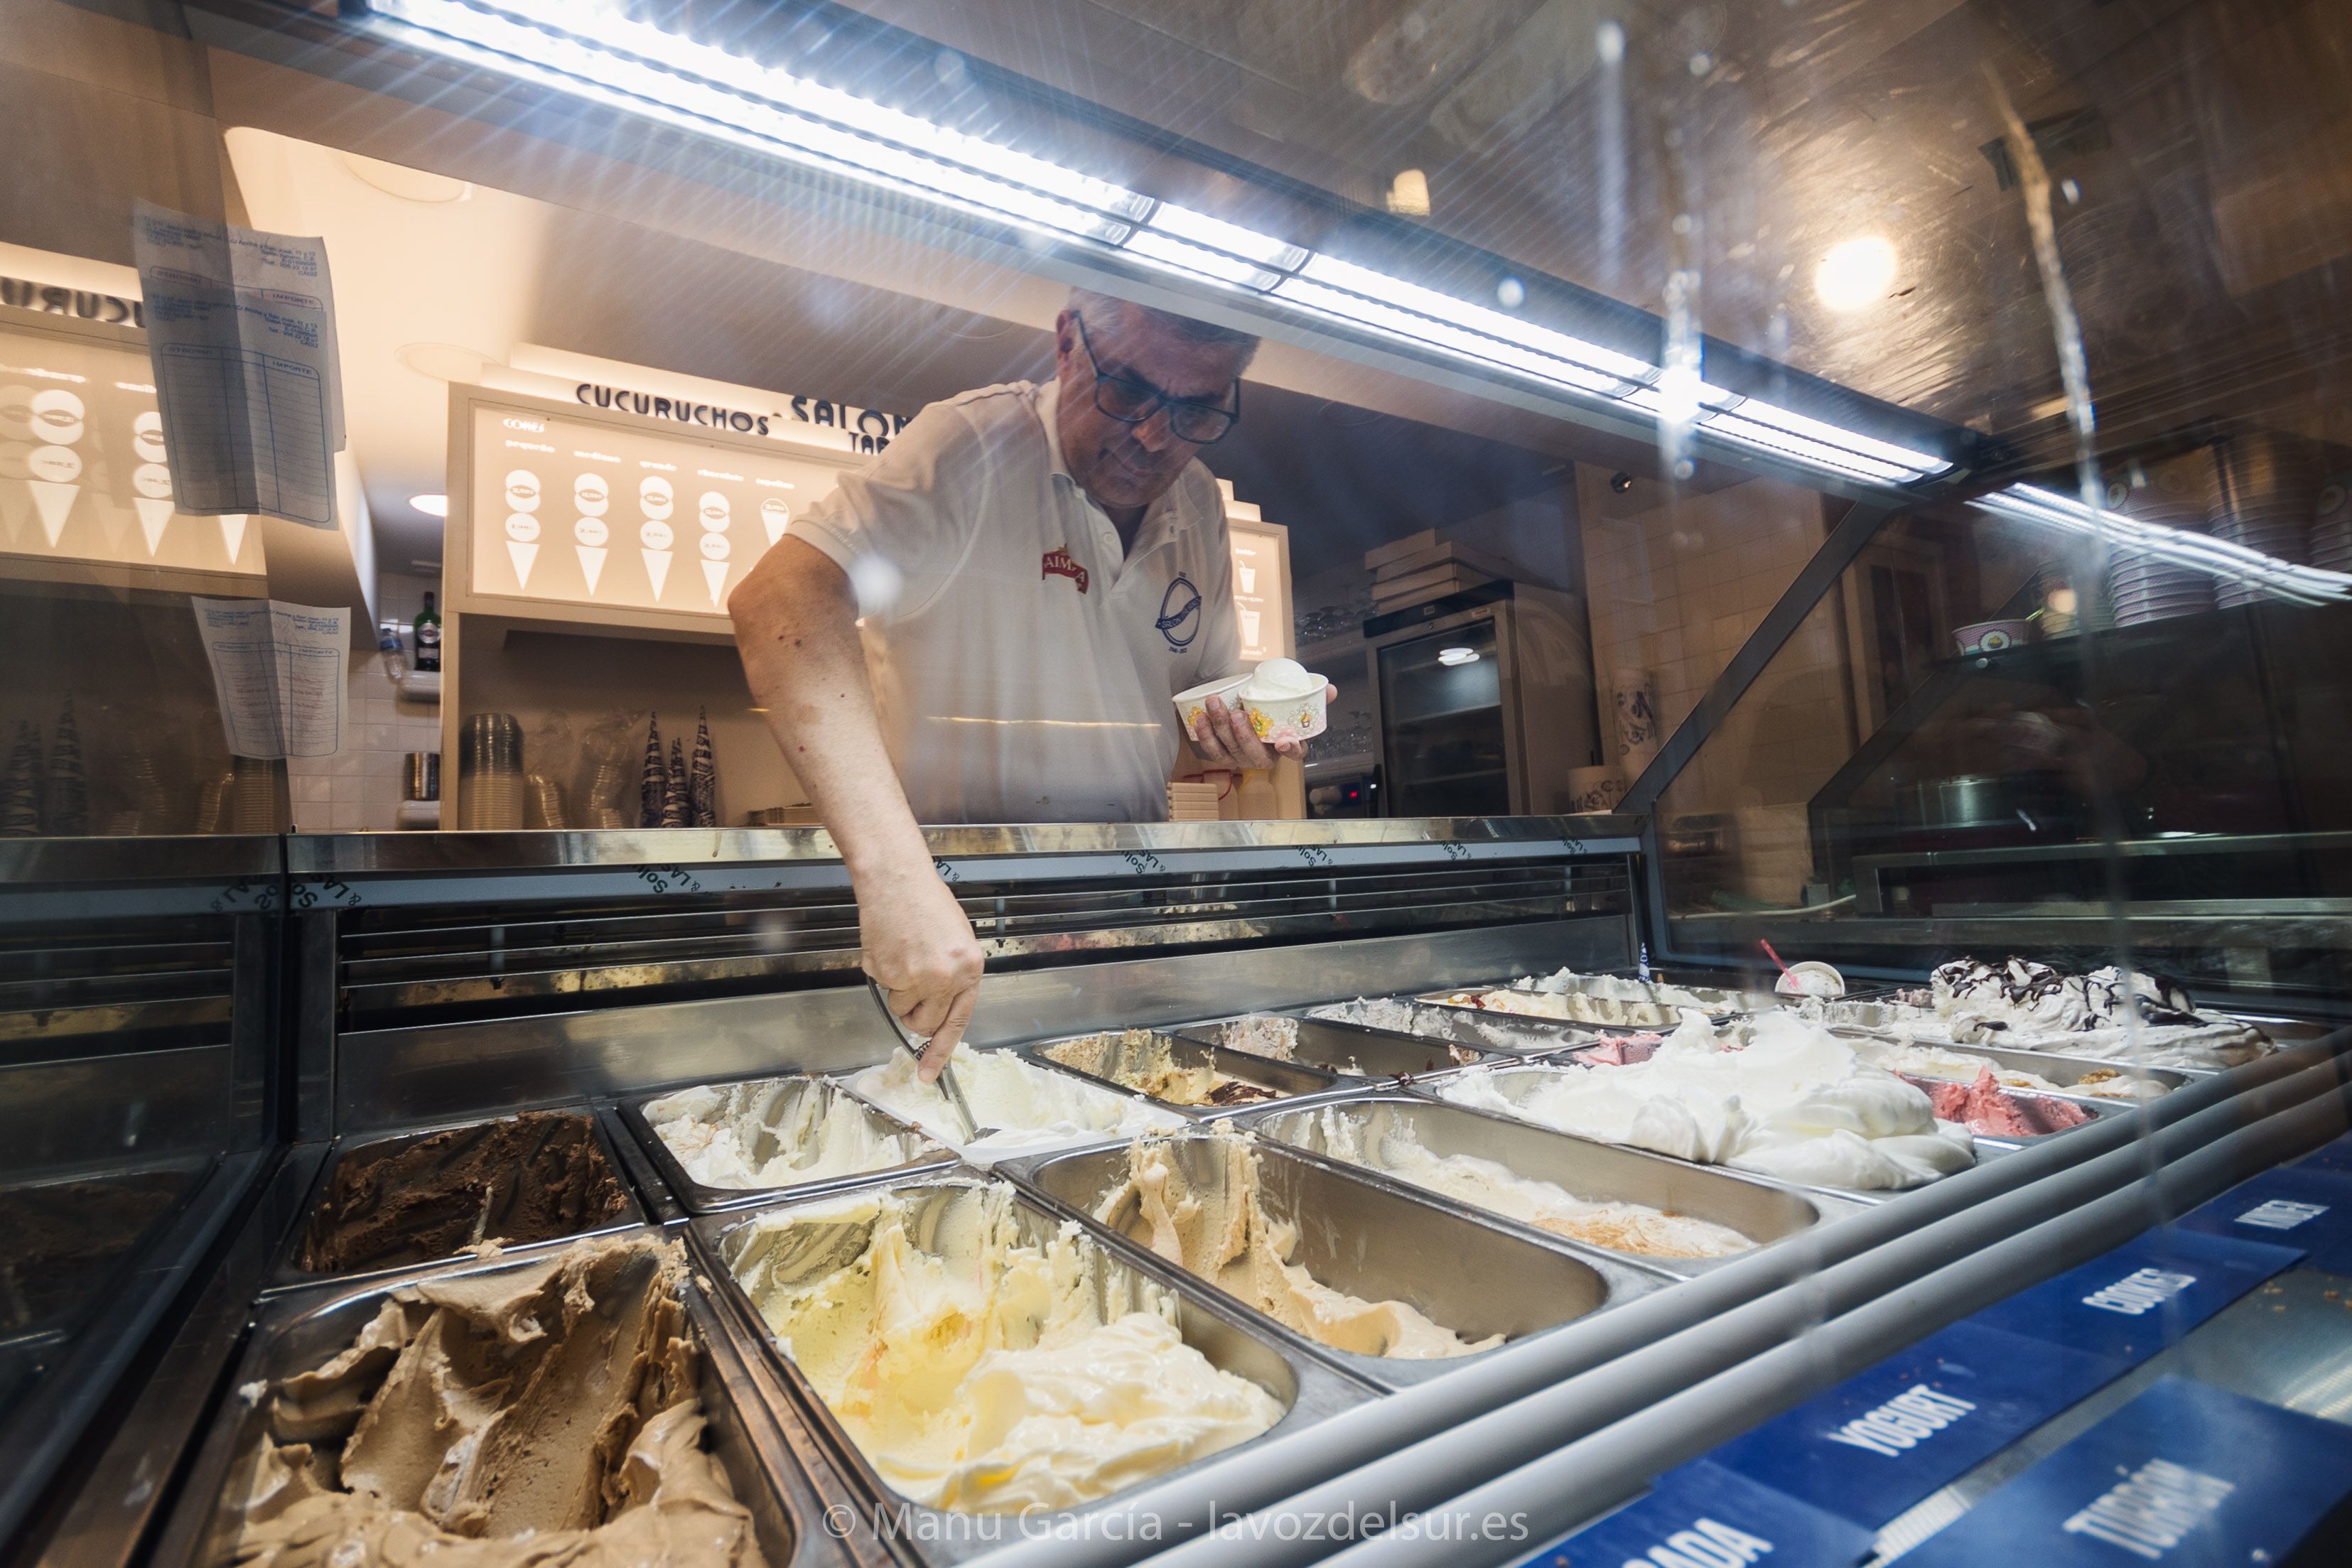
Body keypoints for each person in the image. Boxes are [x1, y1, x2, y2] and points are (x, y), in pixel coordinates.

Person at [731, 290, 1333, 1078]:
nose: (1155, 436)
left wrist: (1245, 726)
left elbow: (1173, 738)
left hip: (1128, 924)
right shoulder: (970, 443)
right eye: (1129, 392)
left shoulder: (1198, 505)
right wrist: (893, 876)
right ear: (1065, 344)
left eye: (1198, 410)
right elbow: (780, 601)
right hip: (949, 920)